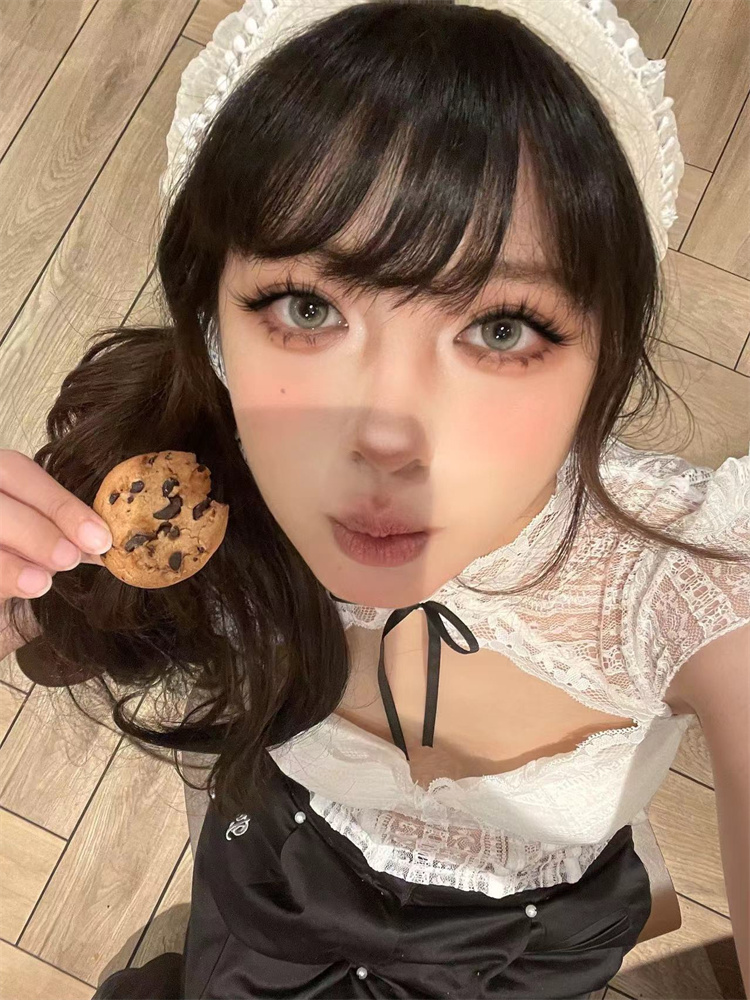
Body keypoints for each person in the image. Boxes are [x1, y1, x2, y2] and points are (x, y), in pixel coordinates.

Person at [0, 0, 748, 997]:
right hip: (266, 883)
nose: (388, 437)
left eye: (501, 327)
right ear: (214, 321)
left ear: (606, 350)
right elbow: (58, 629)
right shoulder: (188, 507)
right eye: (308, 307)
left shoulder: (691, 580)